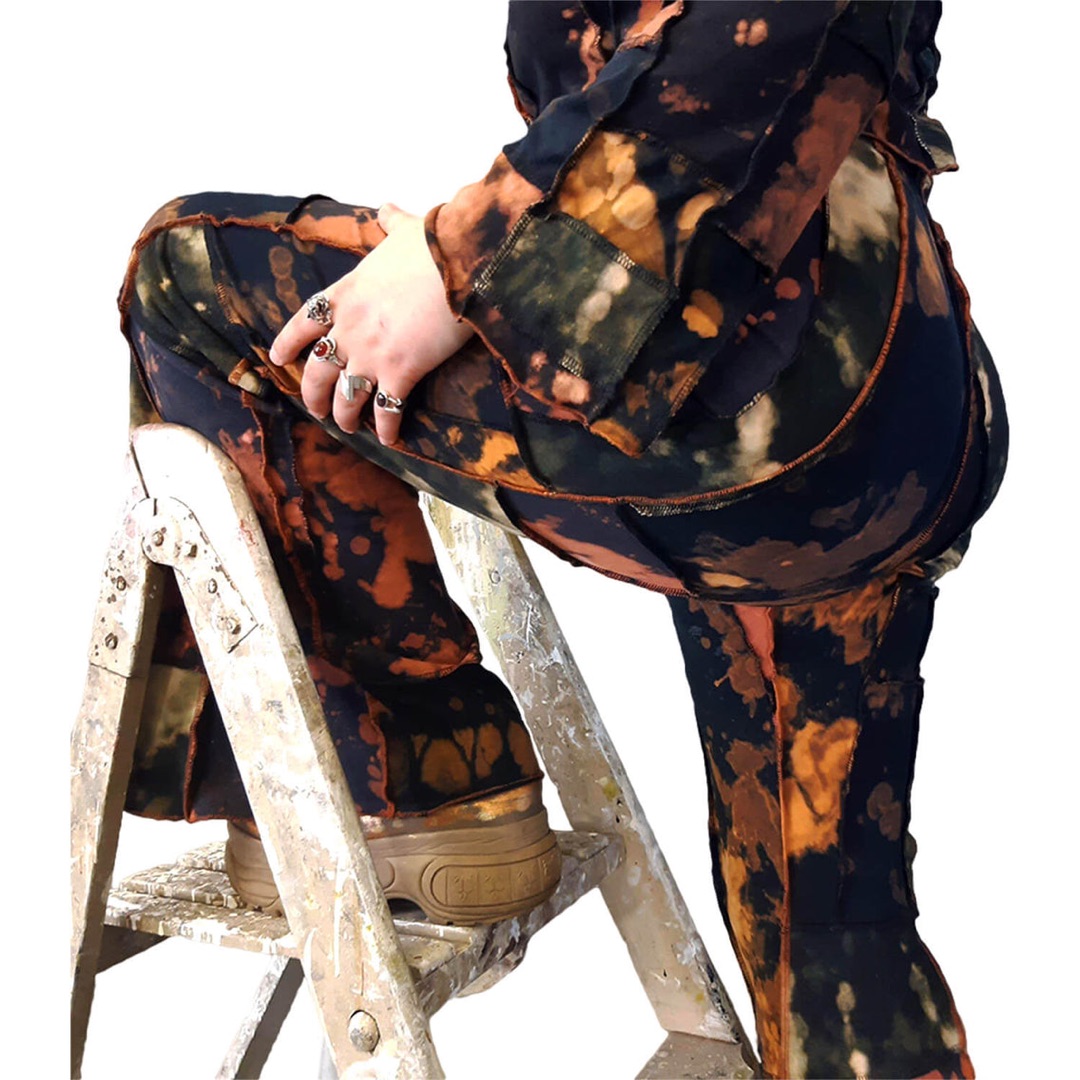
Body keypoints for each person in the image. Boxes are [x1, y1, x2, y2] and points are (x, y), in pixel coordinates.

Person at [117, 2, 1006, 1076]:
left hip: (762, 392)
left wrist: (464, 260)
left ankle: (420, 781)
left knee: (186, 272)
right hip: (890, 391)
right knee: (824, 912)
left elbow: (755, 36)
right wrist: (459, 245)